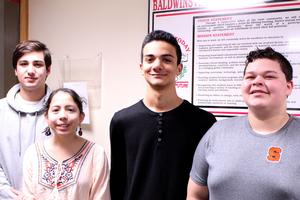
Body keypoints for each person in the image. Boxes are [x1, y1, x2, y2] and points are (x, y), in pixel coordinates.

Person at [109, 30, 216, 200]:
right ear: (141, 68)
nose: (157, 65)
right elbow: (117, 181)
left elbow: (207, 184)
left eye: (166, 59)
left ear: (178, 68)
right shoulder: (122, 121)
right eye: (150, 59)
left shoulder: (204, 122)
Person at [187, 47, 300, 200]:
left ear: (289, 87)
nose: (257, 81)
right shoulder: (217, 132)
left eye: (269, 76)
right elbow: (196, 195)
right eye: (250, 77)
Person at [22, 88, 110, 200]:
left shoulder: (96, 154)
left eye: (70, 110)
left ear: (81, 117)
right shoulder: (33, 153)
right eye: (55, 110)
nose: (63, 116)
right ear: (46, 117)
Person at [0, 40, 52, 199]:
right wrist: (5, 190)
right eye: (23, 64)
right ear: (15, 70)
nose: (31, 70)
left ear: (48, 70)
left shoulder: (61, 111)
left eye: (37, 64)